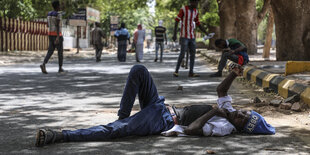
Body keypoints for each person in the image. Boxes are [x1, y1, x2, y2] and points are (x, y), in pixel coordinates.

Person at [35, 64, 275, 147]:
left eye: (243, 117)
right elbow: (221, 91)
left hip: (163, 120)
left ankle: (59, 136)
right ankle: (123, 119)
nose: (240, 113)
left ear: (242, 127)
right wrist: (234, 74)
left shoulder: (224, 126)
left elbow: (191, 130)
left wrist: (215, 111)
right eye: (245, 111)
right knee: (139, 71)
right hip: (162, 106)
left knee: (113, 132)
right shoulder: (230, 112)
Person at [172, 0, 209, 77]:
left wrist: (206, 32)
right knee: (182, 54)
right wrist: (174, 34)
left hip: (192, 36)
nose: (196, 4)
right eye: (195, 2)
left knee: (193, 54)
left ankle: (191, 72)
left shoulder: (196, 11)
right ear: (191, 2)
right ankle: (176, 71)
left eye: (197, 3)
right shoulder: (184, 9)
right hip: (184, 36)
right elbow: (176, 21)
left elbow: (198, 23)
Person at [40, 0, 65, 74]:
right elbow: (57, 25)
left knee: (50, 51)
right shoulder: (58, 14)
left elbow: (48, 25)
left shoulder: (49, 14)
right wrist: (57, 37)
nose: (60, 7)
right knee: (60, 52)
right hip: (57, 35)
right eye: (59, 5)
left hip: (50, 34)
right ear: (57, 6)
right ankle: (60, 68)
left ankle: (44, 64)